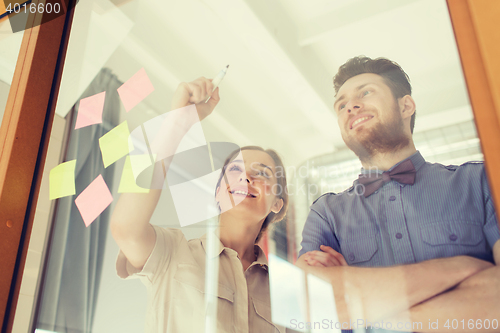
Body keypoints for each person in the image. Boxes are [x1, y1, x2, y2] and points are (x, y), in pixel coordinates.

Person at [297, 56, 500, 332]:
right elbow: (312, 307)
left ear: (406, 106)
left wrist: (363, 310)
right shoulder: (327, 214)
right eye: (341, 105)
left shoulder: (479, 181)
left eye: (365, 92)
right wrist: (463, 268)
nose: (350, 106)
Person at [111, 77, 288, 333]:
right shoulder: (172, 254)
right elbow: (126, 228)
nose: (247, 177)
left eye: (262, 173)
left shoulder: (285, 296)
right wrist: (178, 123)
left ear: (277, 204)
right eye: (235, 170)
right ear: (218, 193)